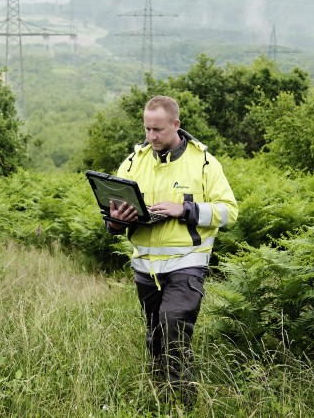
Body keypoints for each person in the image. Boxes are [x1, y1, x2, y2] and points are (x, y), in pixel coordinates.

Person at [106, 95, 238, 405]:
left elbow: (229, 211)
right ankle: (159, 395)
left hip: (187, 263)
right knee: (156, 335)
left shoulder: (204, 162)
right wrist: (115, 223)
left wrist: (185, 209)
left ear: (176, 125)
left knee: (173, 322)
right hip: (145, 268)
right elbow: (113, 214)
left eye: (158, 130)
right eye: (147, 129)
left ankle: (184, 399)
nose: (151, 137)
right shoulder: (132, 162)